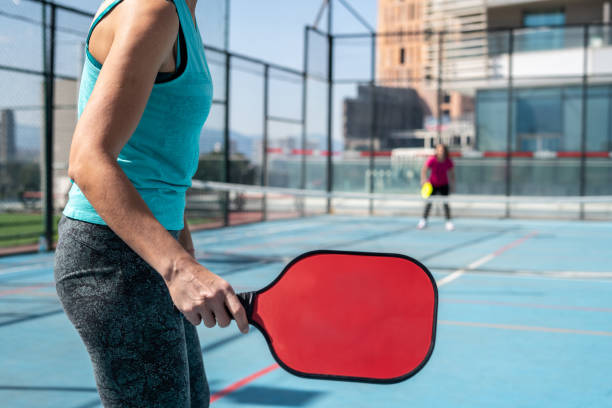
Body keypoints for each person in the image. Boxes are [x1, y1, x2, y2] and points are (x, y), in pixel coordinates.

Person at [53, 1, 248, 407]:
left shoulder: (179, 13)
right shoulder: (153, 10)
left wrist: (181, 242)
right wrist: (178, 266)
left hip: (148, 247)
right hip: (111, 258)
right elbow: (88, 159)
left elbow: (150, 156)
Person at [417, 143, 455, 231]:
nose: (440, 152)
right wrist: (423, 180)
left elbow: (452, 173)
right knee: (429, 203)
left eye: (442, 150)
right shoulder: (432, 160)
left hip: (444, 184)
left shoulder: (448, 161)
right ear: (436, 151)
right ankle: (423, 221)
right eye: (438, 150)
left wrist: (452, 185)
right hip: (432, 184)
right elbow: (424, 169)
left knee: (446, 204)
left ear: (445, 151)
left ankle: (448, 222)